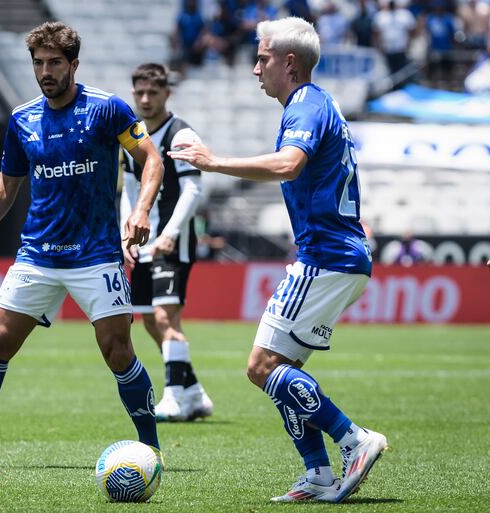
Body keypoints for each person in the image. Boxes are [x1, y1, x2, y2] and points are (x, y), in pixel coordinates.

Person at [0, 21, 164, 467]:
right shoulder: (22, 119)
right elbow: (7, 184)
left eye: (54, 63)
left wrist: (140, 211)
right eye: (39, 63)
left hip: (96, 254)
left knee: (118, 351)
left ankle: (150, 446)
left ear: (73, 64)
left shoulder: (108, 110)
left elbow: (151, 159)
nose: (45, 71)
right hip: (38, 253)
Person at [169, 17, 388, 503]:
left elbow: (290, 164)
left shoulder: (306, 105)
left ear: (289, 63)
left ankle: (354, 439)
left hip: (325, 258)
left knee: (262, 366)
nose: (254, 69)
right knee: (279, 369)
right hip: (336, 255)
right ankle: (318, 475)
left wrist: (212, 160)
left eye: (262, 58)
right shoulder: (318, 103)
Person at [120, 63, 212, 422]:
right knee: (148, 321)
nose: (145, 99)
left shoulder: (181, 133)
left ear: (166, 94)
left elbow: (194, 189)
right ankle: (194, 393)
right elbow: (129, 186)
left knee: (165, 315)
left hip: (173, 243)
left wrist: (170, 234)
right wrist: (127, 231)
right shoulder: (134, 134)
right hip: (143, 240)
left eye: (152, 93)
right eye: (139, 93)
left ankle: (174, 398)